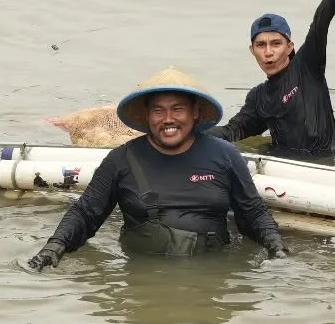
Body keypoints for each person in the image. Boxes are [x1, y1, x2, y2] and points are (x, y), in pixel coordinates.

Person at [26, 68, 288, 270]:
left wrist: (277, 249)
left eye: (178, 109)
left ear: (195, 112)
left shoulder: (225, 155)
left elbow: (253, 213)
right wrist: (54, 247)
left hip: (211, 275)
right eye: (158, 111)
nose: (168, 119)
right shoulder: (121, 159)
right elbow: (85, 213)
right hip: (143, 272)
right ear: (146, 116)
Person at [208, 0, 335, 160]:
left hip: (326, 161)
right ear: (252, 51)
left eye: (276, 43)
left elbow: (321, 21)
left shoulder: (307, 65)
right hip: (285, 166)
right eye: (261, 45)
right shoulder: (258, 98)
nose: (268, 52)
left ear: (290, 47)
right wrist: (189, 135)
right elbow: (233, 131)